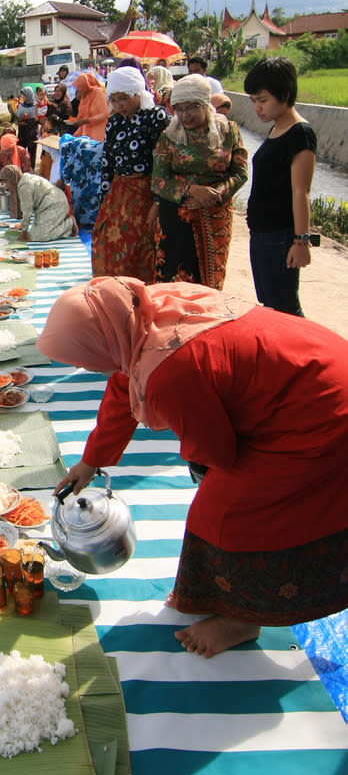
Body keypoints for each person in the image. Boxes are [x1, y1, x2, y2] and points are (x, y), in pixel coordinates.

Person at [38, 276, 348, 658]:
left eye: (83, 357)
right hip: (316, 364)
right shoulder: (142, 312)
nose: (85, 368)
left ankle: (241, 618)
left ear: (105, 338)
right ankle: (223, 596)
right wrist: (91, 461)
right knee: (222, 499)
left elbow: (217, 452)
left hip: (321, 410)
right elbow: (125, 381)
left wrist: (214, 479)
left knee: (225, 515)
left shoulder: (171, 370)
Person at [152, 75, 248, 289]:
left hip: (215, 215)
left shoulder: (228, 131)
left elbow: (240, 173)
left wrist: (214, 195)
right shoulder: (168, 136)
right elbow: (158, 181)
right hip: (176, 217)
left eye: (192, 108)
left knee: (211, 278)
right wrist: (191, 190)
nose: (184, 115)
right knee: (174, 282)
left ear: (205, 105)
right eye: (179, 109)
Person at [244, 56, 317, 317]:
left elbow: (301, 191)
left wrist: (301, 242)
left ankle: (308, 355)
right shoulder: (276, 129)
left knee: (285, 308)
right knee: (271, 305)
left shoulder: (300, 134)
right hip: (262, 232)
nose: (257, 108)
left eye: (262, 100)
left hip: (280, 236)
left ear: (285, 95)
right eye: (253, 101)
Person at [91, 67, 170, 281]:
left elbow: (163, 163)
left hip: (145, 194)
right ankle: (114, 297)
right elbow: (107, 162)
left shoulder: (156, 118)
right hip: (118, 194)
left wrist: (157, 202)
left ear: (138, 92)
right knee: (108, 244)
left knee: (140, 247)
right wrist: (104, 200)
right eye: (114, 100)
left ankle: (141, 301)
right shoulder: (115, 122)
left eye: (124, 98)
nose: (119, 105)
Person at [0, 165, 77, 242]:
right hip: (49, 204)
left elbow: (27, 211)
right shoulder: (23, 178)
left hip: (54, 204)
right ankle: (60, 221)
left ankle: (69, 225)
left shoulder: (24, 187)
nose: (7, 185)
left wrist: (24, 232)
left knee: (39, 236)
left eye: (7, 182)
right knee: (34, 232)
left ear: (13, 179)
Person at [64, 72, 109, 141]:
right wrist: (72, 138)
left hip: (98, 136)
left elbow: (105, 114)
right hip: (86, 137)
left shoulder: (98, 93)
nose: (78, 90)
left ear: (85, 85)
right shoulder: (84, 98)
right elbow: (83, 124)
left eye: (79, 87)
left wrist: (88, 120)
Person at [16, 86, 39, 168]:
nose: (22, 97)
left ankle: (31, 168)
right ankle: (22, 167)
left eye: (24, 95)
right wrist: (22, 119)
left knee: (32, 151)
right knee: (20, 150)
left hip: (32, 132)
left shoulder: (36, 105)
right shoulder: (21, 106)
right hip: (23, 132)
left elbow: (38, 118)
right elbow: (17, 119)